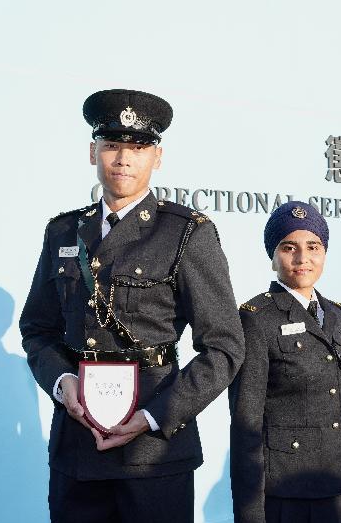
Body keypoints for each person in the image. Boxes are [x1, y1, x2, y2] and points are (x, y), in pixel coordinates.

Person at [20, 89, 245, 523]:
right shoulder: (64, 232)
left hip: (153, 453)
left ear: (157, 157)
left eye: (138, 148)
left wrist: (153, 416)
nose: (123, 159)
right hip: (77, 446)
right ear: (93, 152)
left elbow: (225, 348)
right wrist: (61, 380)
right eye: (112, 146)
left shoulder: (186, 233)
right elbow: (38, 329)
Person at [229, 201, 341, 523]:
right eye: (289, 247)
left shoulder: (334, 314)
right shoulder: (257, 319)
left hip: (337, 489)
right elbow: (246, 423)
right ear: (273, 256)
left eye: (313, 247)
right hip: (286, 495)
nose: (303, 259)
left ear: (325, 253)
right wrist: (249, 513)